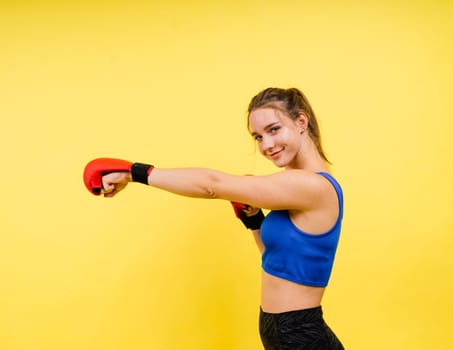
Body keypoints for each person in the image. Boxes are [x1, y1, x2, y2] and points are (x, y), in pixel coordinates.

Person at [83, 87, 345, 349]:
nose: (266, 145)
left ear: (301, 121)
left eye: (274, 129)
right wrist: (253, 220)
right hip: (285, 332)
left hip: (300, 336)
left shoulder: (312, 186)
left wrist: (133, 172)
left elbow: (212, 185)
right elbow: (274, 259)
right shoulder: (293, 188)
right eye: (258, 137)